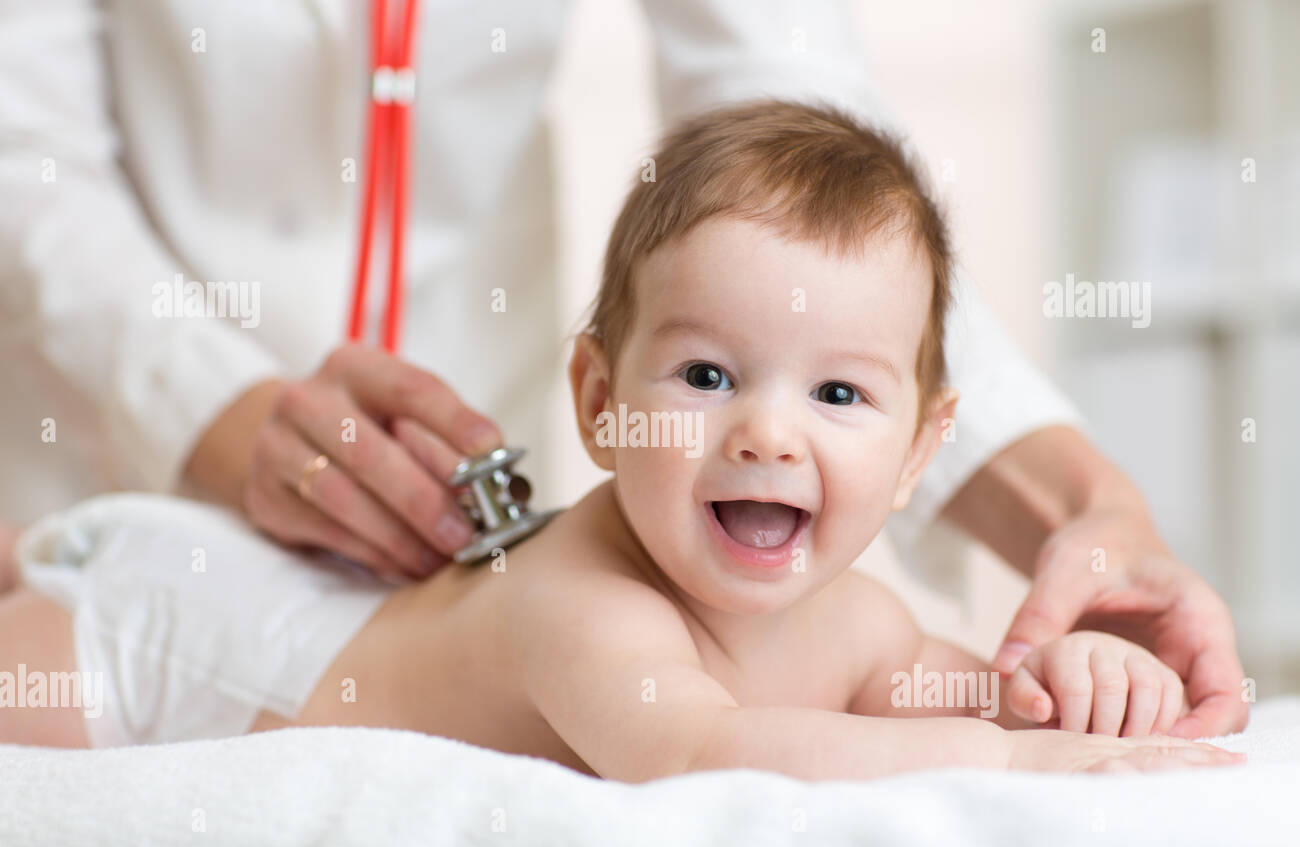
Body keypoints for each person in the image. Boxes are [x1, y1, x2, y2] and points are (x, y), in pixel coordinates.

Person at [0, 0, 1245, 737]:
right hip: (131, 529)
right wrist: (202, 401)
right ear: (600, 400)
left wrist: (1081, 649)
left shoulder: (859, 624)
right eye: (706, 379)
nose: (766, 434)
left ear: (924, 440)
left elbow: (803, 174)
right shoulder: (591, 609)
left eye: (838, 395)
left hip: (440, 489)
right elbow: (25, 149)